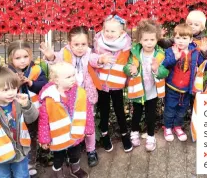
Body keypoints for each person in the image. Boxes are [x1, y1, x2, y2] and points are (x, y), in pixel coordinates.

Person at [40, 26, 100, 167]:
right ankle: (70, 149)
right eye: (76, 44)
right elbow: (56, 61)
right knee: (70, 124)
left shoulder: (90, 54)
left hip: (86, 97)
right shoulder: (64, 53)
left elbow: (95, 59)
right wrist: (50, 56)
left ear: (88, 43)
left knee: (88, 123)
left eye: (83, 44)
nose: (80, 48)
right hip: (68, 98)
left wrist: (102, 59)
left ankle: (91, 150)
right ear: (69, 43)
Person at [0, 67, 39, 178]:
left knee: (22, 175)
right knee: (3, 176)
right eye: (5, 90)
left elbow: (32, 118)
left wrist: (27, 105)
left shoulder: (19, 102)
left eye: (13, 88)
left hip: (20, 150)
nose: (11, 93)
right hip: (1, 152)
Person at [161, 23, 207, 142]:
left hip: (187, 88)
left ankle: (177, 127)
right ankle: (167, 127)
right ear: (173, 38)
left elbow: (202, 66)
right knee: (170, 109)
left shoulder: (195, 52)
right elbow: (165, 65)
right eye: (178, 38)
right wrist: (175, 58)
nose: (181, 41)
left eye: (184, 38)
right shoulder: (170, 51)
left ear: (191, 39)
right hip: (172, 87)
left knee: (182, 109)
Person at [123, 19, 169, 151]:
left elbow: (165, 71)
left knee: (150, 115)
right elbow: (127, 67)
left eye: (152, 40)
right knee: (136, 114)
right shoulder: (136, 54)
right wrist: (131, 69)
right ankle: (134, 133)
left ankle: (150, 136)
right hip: (139, 91)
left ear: (157, 39)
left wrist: (156, 69)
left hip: (153, 91)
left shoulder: (160, 54)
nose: (149, 43)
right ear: (140, 40)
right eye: (146, 40)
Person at [89, 14, 133, 152]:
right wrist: (100, 60)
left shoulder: (126, 44)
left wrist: (129, 78)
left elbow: (129, 62)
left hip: (117, 83)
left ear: (121, 32)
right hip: (101, 82)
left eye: (113, 31)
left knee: (119, 110)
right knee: (104, 111)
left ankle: (125, 134)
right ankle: (104, 134)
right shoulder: (98, 40)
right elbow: (91, 58)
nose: (108, 34)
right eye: (106, 30)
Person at [38, 62, 88, 178]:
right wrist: (44, 139)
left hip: (75, 133)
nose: (73, 79)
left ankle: (75, 169)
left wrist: (87, 128)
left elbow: (86, 111)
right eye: (68, 77)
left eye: (73, 75)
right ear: (56, 80)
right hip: (58, 137)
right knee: (58, 158)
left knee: (75, 154)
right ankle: (58, 173)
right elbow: (43, 121)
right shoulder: (49, 98)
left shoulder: (79, 92)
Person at [7, 40, 48, 177]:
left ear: (30, 56)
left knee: (31, 137)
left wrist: (30, 82)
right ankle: (16, 163)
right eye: (17, 58)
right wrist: (16, 83)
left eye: (26, 57)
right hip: (14, 113)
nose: (22, 61)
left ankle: (31, 163)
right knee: (16, 138)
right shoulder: (6, 72)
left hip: (33, 111)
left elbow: (43, 85)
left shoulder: (36, 69)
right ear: (10, 59)